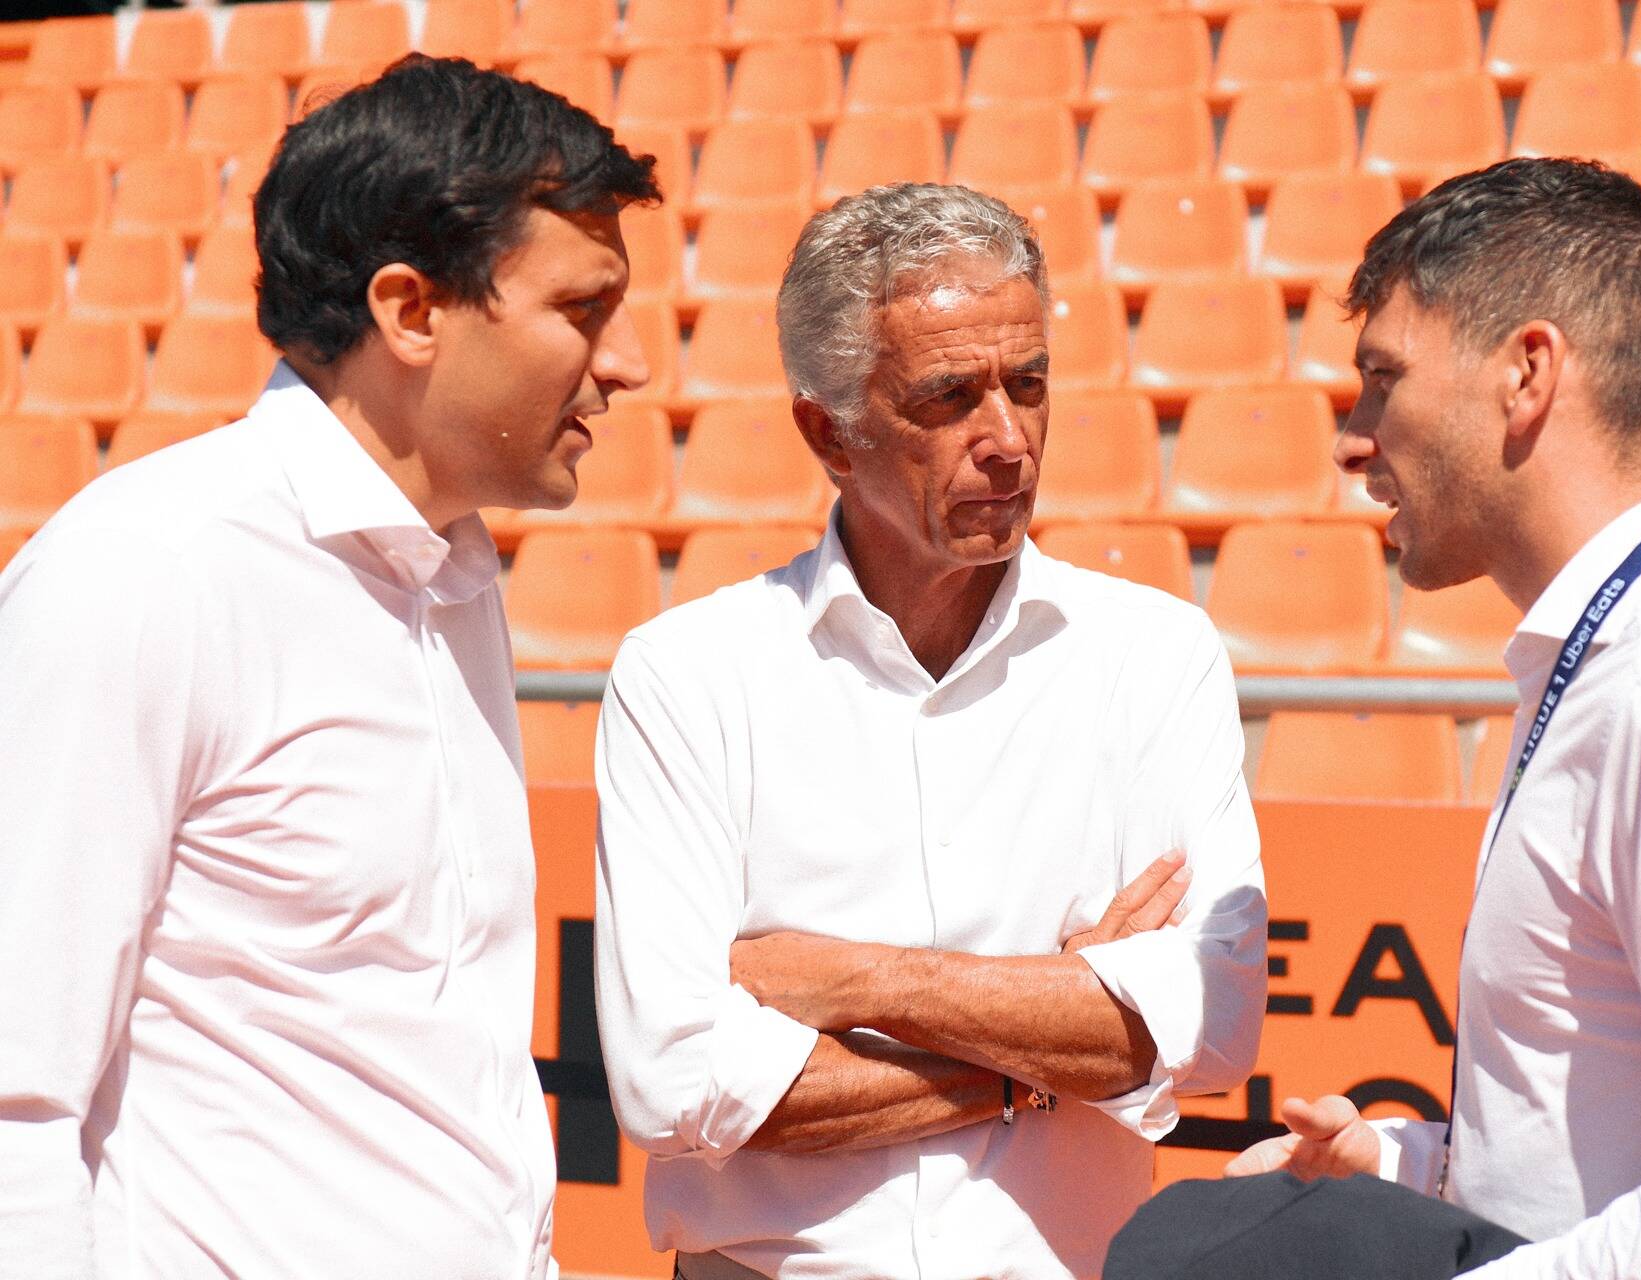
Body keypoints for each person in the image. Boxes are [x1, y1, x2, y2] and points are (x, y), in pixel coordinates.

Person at [0, 56, 655, 1278]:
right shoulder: (142, 573)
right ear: (412, 311)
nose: (630, 365)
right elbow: (11, 1102)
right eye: (584, 309)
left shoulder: (450, 579)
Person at [1227, 157, 1641, 1277]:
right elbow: (1626, 1152)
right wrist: (1415, 1165)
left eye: (1382, 377)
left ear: (1527, 372)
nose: (1355, 434)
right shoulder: (1640, 664)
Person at [592, 181, 1269, 1280]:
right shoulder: (688, 676)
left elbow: (1216, 1021)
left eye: (1031, 384)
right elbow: (676, 1078)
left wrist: (862, 982)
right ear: (830, 432)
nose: (1008, 439)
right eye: (951, 396)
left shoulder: (1155, 654)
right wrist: (1042, 1055)